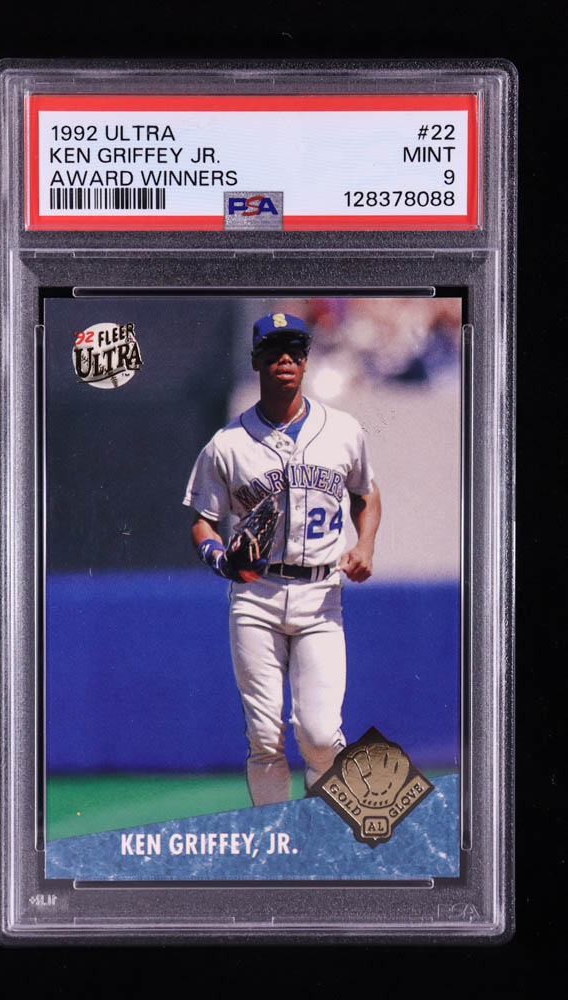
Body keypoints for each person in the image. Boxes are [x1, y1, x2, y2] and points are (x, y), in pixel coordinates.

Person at [183, 312, 381, 805]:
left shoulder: (342, 429)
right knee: (265, 736)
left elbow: (367, 494)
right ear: (256, 360)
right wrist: (220, 558)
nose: (285, 359)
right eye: (273, 350)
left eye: (294, 350)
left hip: (320, 593)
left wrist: (365, 545)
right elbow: (203, 520)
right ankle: (276, 839)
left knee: (320, 735)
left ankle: (322, 817)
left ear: (307, 360)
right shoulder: (227, 444)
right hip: (257, 595)